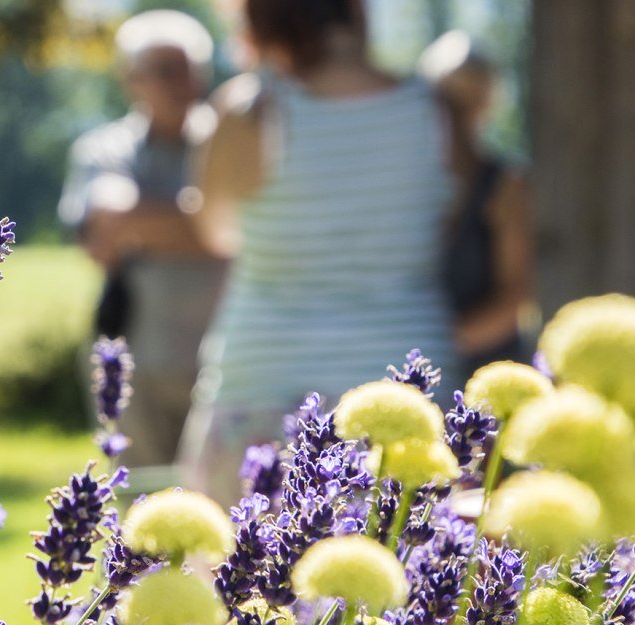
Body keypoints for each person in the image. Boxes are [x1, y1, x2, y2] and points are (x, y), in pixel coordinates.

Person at [181, 0, 459, 503]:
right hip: (405, 386)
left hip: (261, 380)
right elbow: (451, 225)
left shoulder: (250, 110)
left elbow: (216, 231)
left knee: (245, 574)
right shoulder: (434, 109)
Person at [58, 10, 227, 469]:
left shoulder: (230, 142)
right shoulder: (105, 148)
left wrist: (145, 228)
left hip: (224, 361)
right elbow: (105, 229)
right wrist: (206, 226)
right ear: (132, 79)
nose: (182, 84)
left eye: (190, 71)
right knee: (142, 508)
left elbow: (245, 233)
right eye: (165, 71)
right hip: (134, 364)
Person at [419, 30, 534, 371]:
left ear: (485, 104)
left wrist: (428, 347)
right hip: (417, 372)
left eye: (464, 102)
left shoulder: (506, 185)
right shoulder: (410, 185)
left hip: (488, 375)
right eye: (445, 101)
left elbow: (515, 297)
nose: (452, 116)